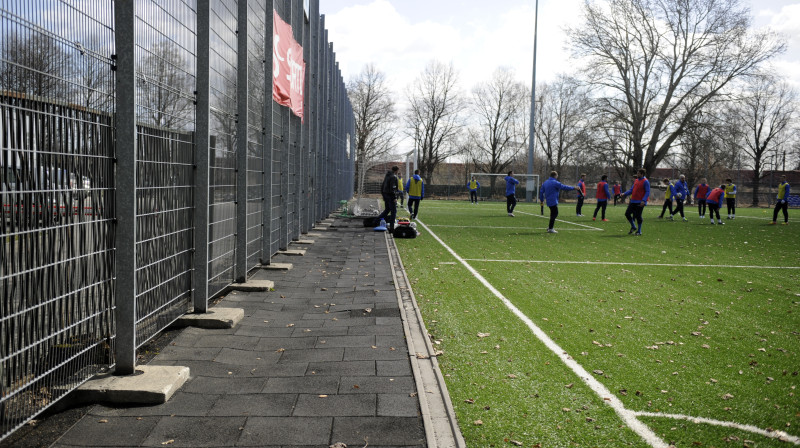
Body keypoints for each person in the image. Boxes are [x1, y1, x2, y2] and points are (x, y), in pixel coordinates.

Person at [619, 168, 650, 236]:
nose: (637, 174)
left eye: (638, 173)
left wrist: (643, 200)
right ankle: (633, 226)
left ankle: (639, 231)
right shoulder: (636, 181)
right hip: (633, 201)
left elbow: (647, 192)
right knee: (627, 213)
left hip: (640, 202)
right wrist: (624, 194)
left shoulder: (646, 181)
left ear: (642, 174)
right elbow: (631, 190)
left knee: (638, 216)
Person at [376, 166, 399, 232]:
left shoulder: (387, 176)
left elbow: (382, 186)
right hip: (390, 196)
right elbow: (393, 188)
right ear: (396, 170)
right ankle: (392, 227)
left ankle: (376, 221)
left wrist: (383, 195)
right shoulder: (393, 177)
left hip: (386, 195)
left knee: (387, 210)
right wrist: (394, 197)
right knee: (393, 211)